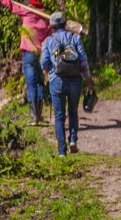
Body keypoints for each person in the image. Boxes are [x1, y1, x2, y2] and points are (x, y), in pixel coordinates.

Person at [0, 0, 51, 126]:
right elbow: (49, 37)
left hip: (29, 53)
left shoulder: (27, 13)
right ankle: (38, 115)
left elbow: (10, 4)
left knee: (31, 84)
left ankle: (34, 117)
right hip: (41, 55)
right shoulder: (46, 20)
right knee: (40, 83)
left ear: (31, 6)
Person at [39, 12, 93, 157]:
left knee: (59, 116)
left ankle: (62, 151)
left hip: (57, 80)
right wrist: (88, 78)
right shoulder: (75, 38)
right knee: (73, 111)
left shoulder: (48, 41)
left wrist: (47, 76)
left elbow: (44, 63)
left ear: (51, 27)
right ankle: (73, 139)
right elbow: (82, 60)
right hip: (75, 80)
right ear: (65, 24)